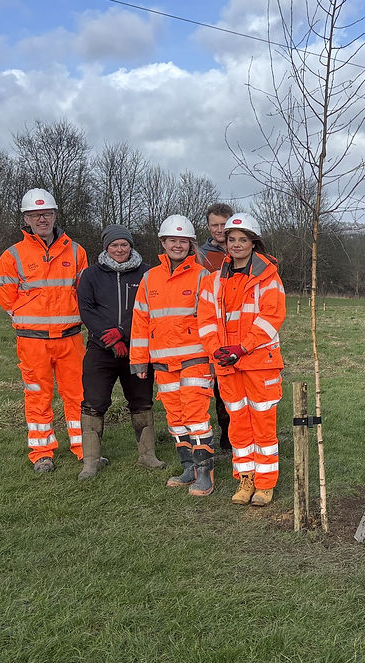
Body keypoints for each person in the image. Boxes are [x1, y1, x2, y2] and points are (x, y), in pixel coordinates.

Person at [0, 188, 87, 473]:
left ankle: (84, 448)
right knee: (37, 395)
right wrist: (26, 318)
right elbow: (4, 295)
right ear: (26, 219)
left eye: (46, 213)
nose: (42, 218)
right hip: (33, 342)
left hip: (71, 338)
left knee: (79, 394)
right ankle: (42, 451)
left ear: (55, 214)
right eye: (35, 215)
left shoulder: (76, 251)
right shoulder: (13, 255)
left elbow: (84, 292)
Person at [198, 213, 286, 507]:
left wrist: (242, 347)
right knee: (238, 424)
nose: (236, 245)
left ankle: (265, 483)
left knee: (263, 424)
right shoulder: (212, 282)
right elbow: (207, 321)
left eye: (243, 240)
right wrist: (217, 350)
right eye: (231, 239)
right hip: (228, 364)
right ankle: (245, 478)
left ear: (253, 243)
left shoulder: (268, 277)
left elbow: (271, 318)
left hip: (260, 363)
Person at [130, 215, 215, 497]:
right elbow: (141, 321)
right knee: (176, 418)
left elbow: (211, 321)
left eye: (183, 241)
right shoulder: (149, 278)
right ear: (163, 243)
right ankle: (188, 467)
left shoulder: (202, 276)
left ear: (190, 244)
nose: (177, 245)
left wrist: (213, 358)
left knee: (196, 416)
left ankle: (205, 473)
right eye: (172, 240)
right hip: (163, 363)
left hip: (196, 359)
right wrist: (139, 360)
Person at [77, 224, 165, 479]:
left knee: (142, 401)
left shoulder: (147, 274)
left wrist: (123, 333)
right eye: (114, 245)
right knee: (93, 403)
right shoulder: (90, 275)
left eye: (124, 244)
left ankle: (147, 455)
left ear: (131, 246)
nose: (119, 249)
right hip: (100, 349)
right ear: (106, 247)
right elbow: (86, 309)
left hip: (136, 349)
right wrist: (110, 338)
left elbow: (149, 308)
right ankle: (91, 461)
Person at [196, 202, 235, 461]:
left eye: (224, 224)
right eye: (215, 225)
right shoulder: (202, 255)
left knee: (236, 386)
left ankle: (236, 436)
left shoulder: (245, 248)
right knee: (217, 386)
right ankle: (219, 437)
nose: (219, 229)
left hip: (238, 327)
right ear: (208, 227)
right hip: (211, 327)